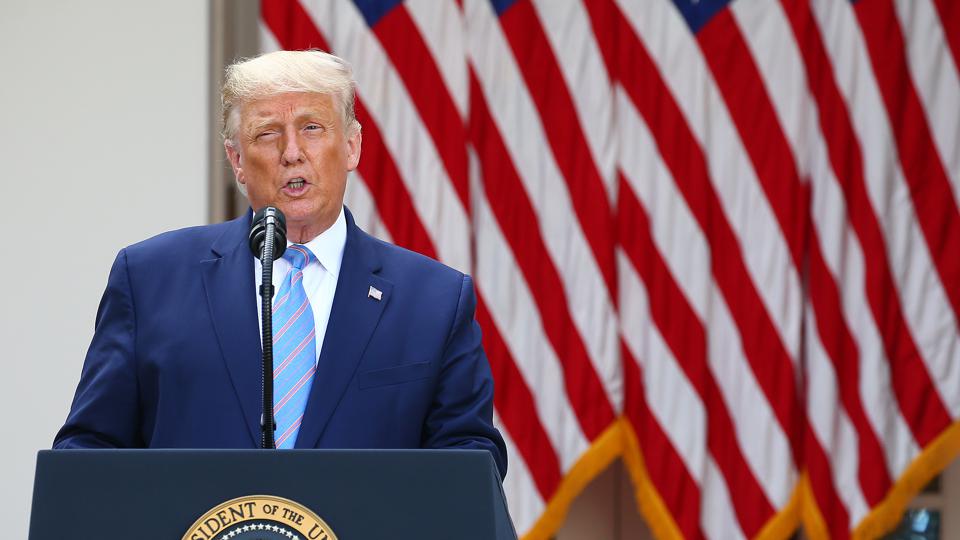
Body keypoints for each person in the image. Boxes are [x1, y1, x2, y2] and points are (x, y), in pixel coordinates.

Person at [54, 50, 507, 479]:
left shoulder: (434, 301)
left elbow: (468, 465)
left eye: (312, 128)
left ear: (352, 147)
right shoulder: (149, 280)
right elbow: (88, 452)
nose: (292, 152)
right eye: (267, 133)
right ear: (237, 160)